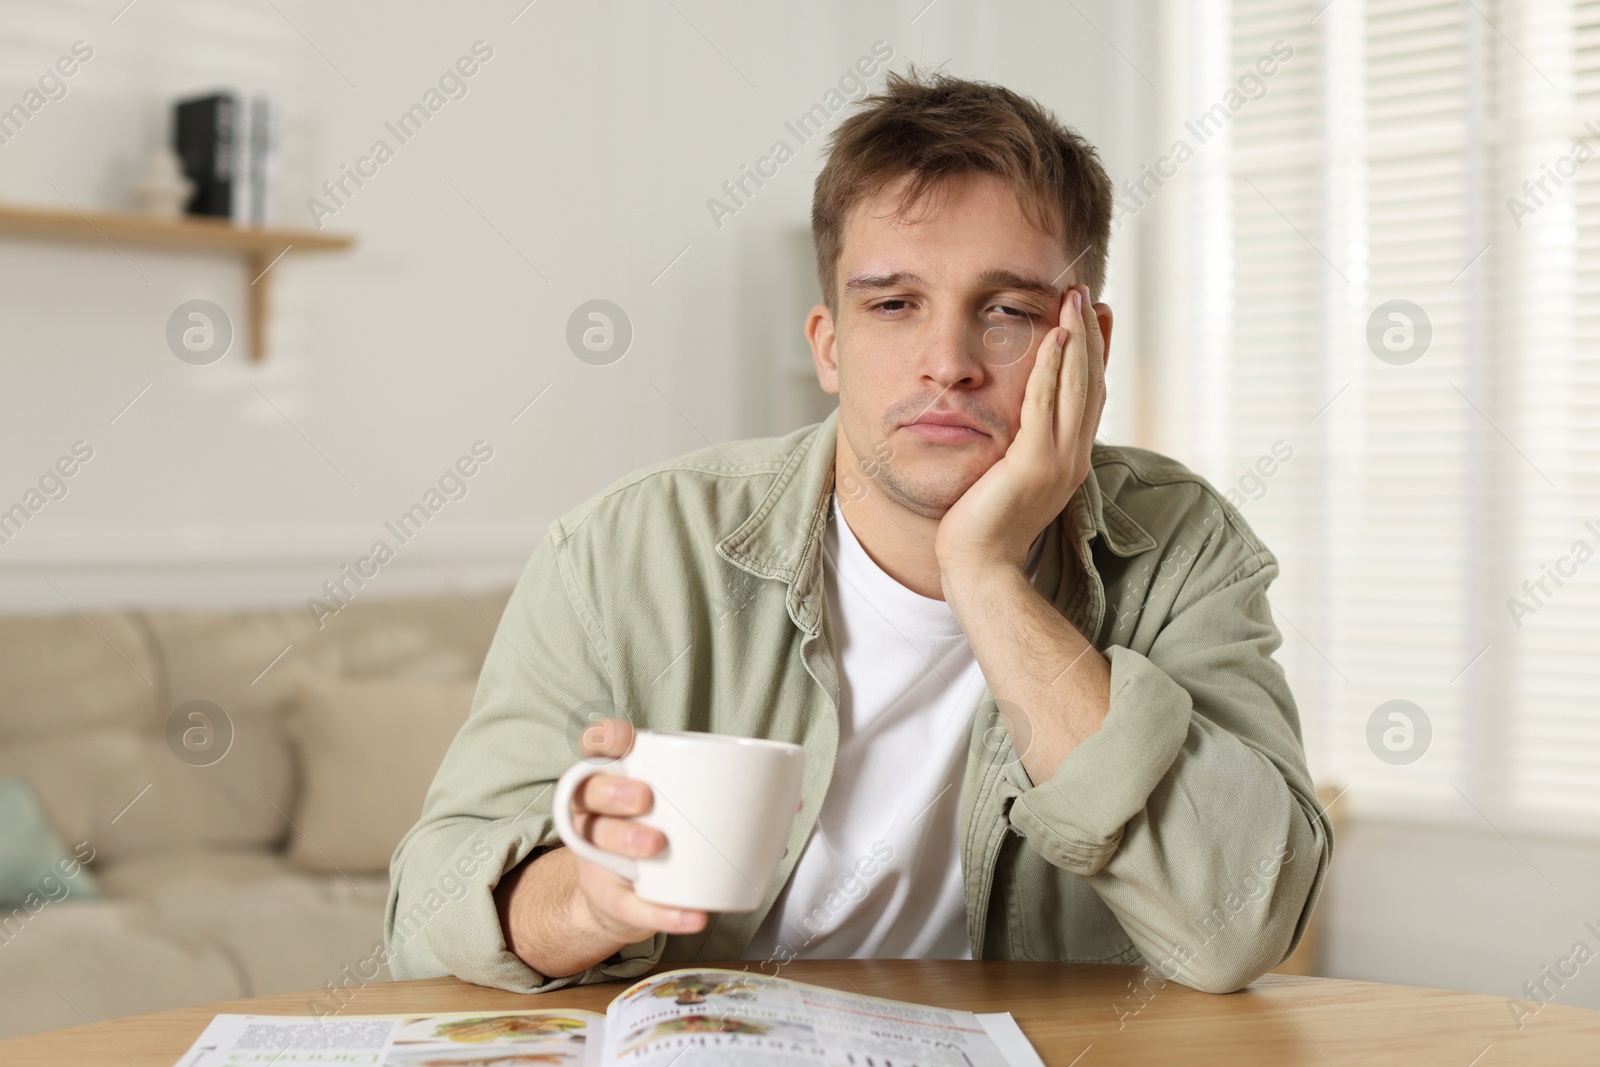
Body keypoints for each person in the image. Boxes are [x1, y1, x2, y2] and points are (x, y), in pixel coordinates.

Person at [386, 68, 1333, 996]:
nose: (948, 362)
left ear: (1088, 345)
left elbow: (1240, 926)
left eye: (1008, 311)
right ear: (828, 345)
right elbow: (424, 915)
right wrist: (589, 901)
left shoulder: (1181, 542)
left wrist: (988, 575)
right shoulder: (624, 551)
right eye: (892, 304)